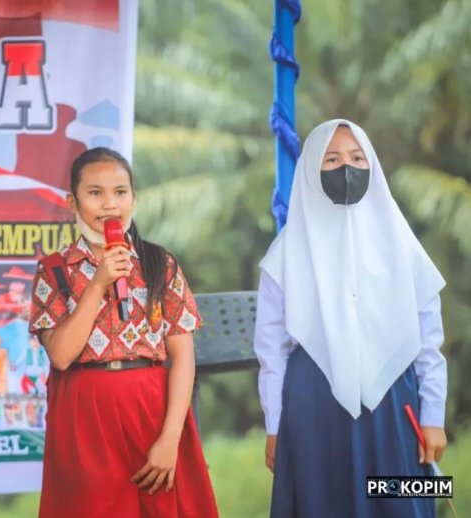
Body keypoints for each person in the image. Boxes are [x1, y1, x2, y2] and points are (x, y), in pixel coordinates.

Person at [254, 120, 447, 517]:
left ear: (372, 164)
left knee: (401, 501)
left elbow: (429, 338)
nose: (347, 167)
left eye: (358, 157)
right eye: (332, 158)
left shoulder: (402, 244)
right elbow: (271, 351)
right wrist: (275, 425)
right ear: (311, 168)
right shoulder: (286, 253)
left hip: (395, 406)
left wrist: (434, 416)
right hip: (313, 410)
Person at [29, 147, 218, 518]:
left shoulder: (159, 263)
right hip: (85, 420)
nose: (109, 205)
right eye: (95, 193)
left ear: (134, 198)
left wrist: (170, 439)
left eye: (120, 192)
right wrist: (98, 284)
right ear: (73, 202)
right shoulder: (54, 271)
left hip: (152, 412)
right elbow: (61, 355)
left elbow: (183, 358)